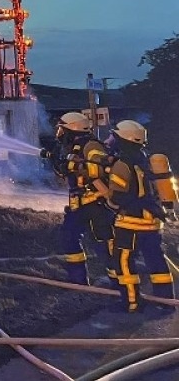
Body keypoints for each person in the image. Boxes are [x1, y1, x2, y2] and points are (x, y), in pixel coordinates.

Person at [104, 119, 176, 314]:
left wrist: (109, 203)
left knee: (124, 261)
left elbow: (116, 197)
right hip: (152, 221)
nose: (111, 141)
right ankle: (166, 302)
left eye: (115, 137)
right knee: (156, 260)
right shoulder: (145, 159)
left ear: (125, 140)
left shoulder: (122, 165)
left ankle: (132, 302)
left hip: (131, 222)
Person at [54, 112, 116, 285]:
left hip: (97, 204)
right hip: (79, 206)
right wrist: (59, 163)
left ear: (72, 129)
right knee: (68, 237)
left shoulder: (91, 146)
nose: (60, 133)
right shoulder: (74, 147)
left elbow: (98, 169)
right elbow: (68, 173)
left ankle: (119, 284)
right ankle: (78, 280)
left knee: (103, 243)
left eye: (62, 129)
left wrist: (74, 166)